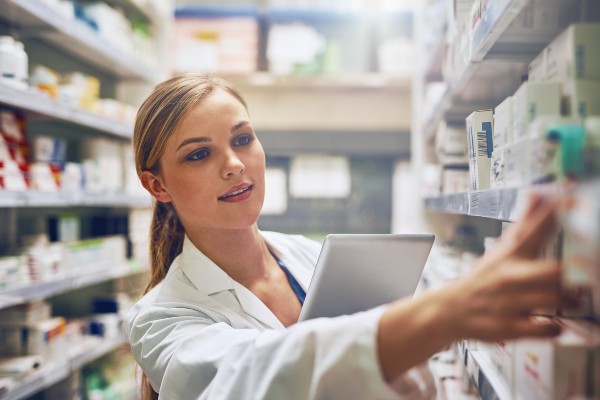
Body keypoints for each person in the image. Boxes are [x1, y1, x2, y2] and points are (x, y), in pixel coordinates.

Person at [127, 72, 573, 400]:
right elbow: (243, 377)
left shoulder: (312, 258)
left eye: (242, 139)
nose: (235, 164)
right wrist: (446, 314)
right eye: (200, 154)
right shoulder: (160, 317)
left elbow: (415, 384)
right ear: (157, 186)